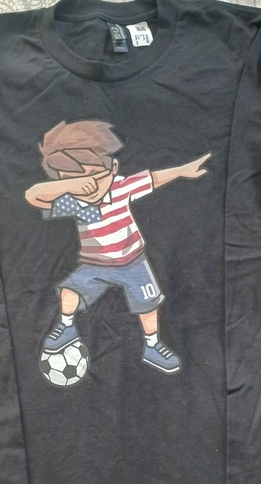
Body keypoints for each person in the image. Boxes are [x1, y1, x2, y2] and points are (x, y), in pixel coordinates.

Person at [25, 119, 211, 374]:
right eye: (74, 179)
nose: (88, 186)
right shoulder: (73, 202)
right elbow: (33, 195)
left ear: (113, 169)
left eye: (93, 176)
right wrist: (70, 186)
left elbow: (152, 178)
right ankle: (66, 327)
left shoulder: (121, 187)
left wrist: (181, 170)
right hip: (94, 263)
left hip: (132, 261)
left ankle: (152, 346)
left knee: (148, 305)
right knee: (69, 292)